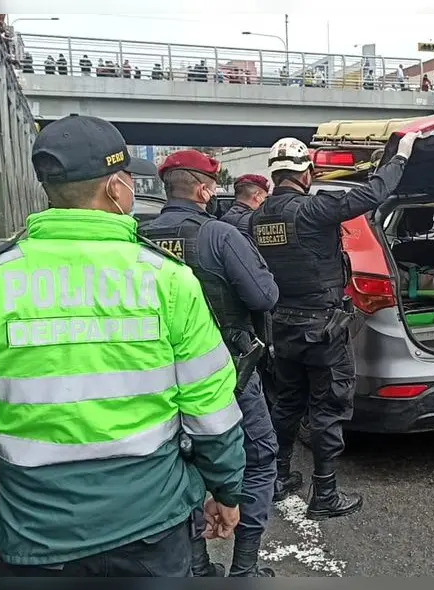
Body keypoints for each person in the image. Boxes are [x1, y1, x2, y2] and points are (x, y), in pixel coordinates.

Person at [0, 115, 248, 577]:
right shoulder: (167, 280)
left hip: (36, 535)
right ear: (115, 189)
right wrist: (226, 490)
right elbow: (210, 406)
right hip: (149, 526)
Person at [250, 132, 419, 519]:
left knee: (288, 403)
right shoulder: (312, 210)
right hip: (322, 329)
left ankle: (278, 477)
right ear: (306, 173)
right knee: (328, 408)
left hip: (282, 329)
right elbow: (372, 194)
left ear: (275, 175)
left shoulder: (258, 218)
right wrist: (400, 158)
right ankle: (324, 495)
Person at [139, 150, 279, 578]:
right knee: (258, 458)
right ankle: (245, 569)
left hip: (156, 374)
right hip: (226, 372)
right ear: (204, 189)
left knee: (180, 465)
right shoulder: (219, 236)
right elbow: (264, 297)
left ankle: (198, 568)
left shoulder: (135, 238)